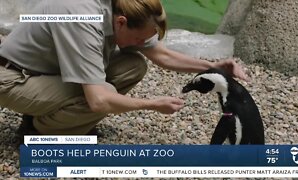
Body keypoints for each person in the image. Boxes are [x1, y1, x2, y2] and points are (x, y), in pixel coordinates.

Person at [0, 0, 248, 135]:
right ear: (121, 22)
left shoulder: (122, 6)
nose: (143, 44)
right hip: (13, 78)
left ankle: (55, 116)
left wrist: (212, 66)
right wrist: (151, 104)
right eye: (140, 39)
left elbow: (161, 54)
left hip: (46, 71)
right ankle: (40, 131)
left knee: (132, 64)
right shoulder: (81, 16)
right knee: (102, 93)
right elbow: (98, 101)